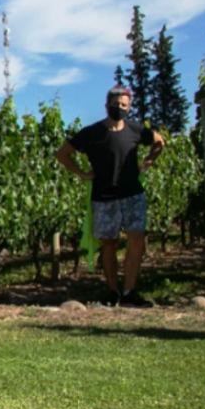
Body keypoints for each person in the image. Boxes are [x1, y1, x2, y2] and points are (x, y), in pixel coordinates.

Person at [55, 86, 165, 307]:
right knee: (109, 244)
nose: (120, 108)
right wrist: (82, 173)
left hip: (133, 194)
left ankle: (129, 292)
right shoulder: (91, 133)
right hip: (104, 196)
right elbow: (62, 153)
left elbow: (159, 141)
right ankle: (113, 291)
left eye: (124, 105)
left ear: (129, 107)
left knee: (136, 241)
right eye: (116, 105)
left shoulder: (136, 130)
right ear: (107, 106)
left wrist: (149, 162)